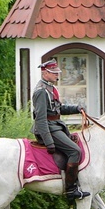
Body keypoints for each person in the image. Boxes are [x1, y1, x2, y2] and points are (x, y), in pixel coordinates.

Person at [32, 58, 90, 200]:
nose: (57, 75)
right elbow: (41, 118)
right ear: (45, 73)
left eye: (57, 73)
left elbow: (59, 110)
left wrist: (76, 108)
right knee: (75, 151)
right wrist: (48, 140)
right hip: (48, 129)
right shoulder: (41, 91)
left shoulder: (51, 88)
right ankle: (71, 190)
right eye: (54, 73)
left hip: (56, 126)